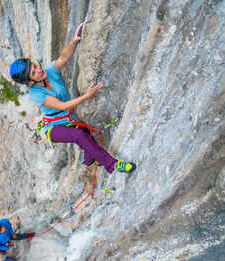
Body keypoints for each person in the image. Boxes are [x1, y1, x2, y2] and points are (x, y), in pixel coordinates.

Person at [9, 23, 136, 174]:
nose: (39, 69)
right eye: (34, 72)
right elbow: (63, 107)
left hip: (69, 117)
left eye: (35, 65)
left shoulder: (49, 72)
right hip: (53, 127)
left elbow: (63, 58)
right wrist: (87, 95)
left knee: (87, 135)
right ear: (30, 82)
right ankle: (113, 164)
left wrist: (74, 41)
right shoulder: (36, 93)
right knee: (79, 135)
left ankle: (90, 160)